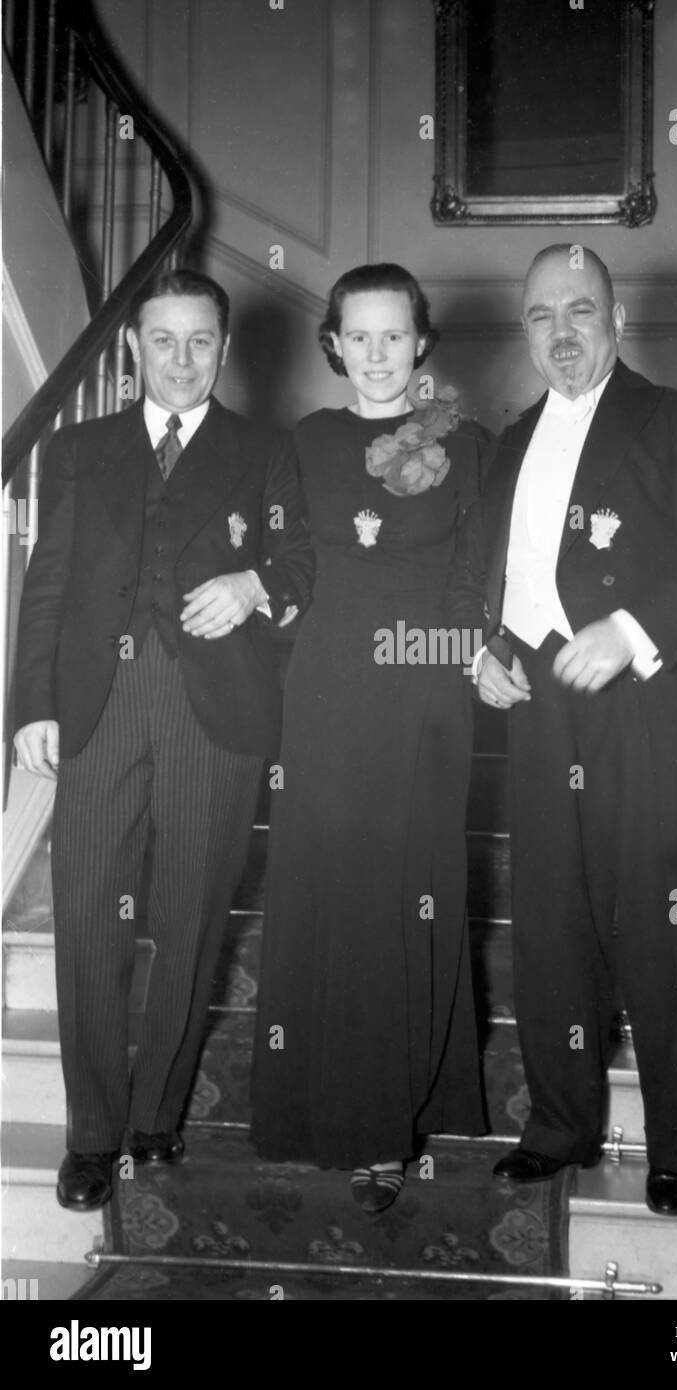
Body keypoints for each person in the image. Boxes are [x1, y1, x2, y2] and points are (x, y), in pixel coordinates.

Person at [455, 244, 677, 1217]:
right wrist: (488, 649)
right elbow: (500, 582)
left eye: (579, 310)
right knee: (550, 927)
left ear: (617, 321)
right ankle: (560, 1125)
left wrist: (631, 633)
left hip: (653, 714)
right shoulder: (507, 443)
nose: (561, 332)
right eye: (541, 316)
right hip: (544, 713)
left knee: (664, 936)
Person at [13, 268, 314, 1212]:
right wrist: (30, 705)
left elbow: (300, 560)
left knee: (188, 922)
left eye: (199, 342)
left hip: (212, 715)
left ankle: (157, 1116)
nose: (181, 360)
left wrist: (254, 588)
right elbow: (47, 583)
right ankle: (92, 1137)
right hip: (98, 707)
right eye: (163, 341)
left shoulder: (266, 451)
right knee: (88, 926)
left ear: (224, 351)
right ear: (133, 349)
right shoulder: (77, 449)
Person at [251, 263, 490, 1212]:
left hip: (425, 689)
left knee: (405, 899)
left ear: (421, 342)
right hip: (324, 691)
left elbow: (480, 570)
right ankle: (313, 1109)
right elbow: (291, 562)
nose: (379, 355)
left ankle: (383, 1131)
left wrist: (474, 653)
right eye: (360, 337)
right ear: (335, 346)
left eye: (396, 336)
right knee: (327, 893)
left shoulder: (467, 444)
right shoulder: (305, 441)